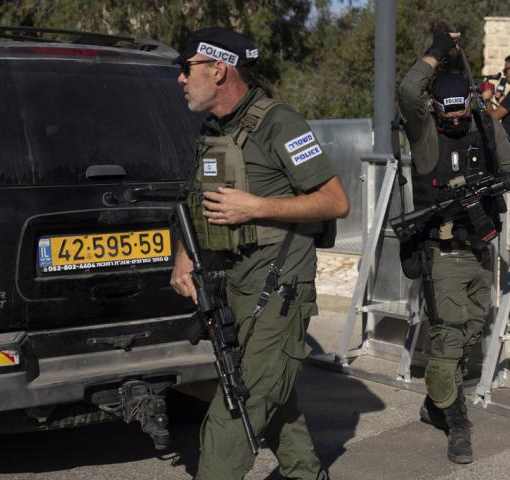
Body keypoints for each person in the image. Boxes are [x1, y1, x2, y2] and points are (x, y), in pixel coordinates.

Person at [170, 27, 349, 480]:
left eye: (185, 68)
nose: (179, 79)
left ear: (218, 68)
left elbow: (335, 200)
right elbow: (198, 199)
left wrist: (257, 207)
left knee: (241, 402)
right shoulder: (215, 127)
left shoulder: (279, 123)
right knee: (272, 389)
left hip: (280, 283)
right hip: (234, 280)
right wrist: (184, 255)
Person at [399, 32, 510, 465]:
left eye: (461, 115)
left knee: (472, 331)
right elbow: (408, 90)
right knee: (448, 339)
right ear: (436, 111)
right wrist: (437, 50)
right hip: (444, 250)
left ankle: (436, 404)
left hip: (480, 248)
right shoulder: (425, 132)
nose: (456, 123)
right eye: (447, 116)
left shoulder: (484, 125)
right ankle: (458, 423)